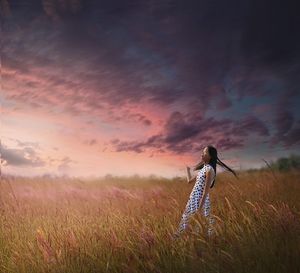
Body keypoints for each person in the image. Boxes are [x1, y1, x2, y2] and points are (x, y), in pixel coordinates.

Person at [173, 145, 238, 239]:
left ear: (210, 156)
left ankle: (187, 239)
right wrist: (187, 170)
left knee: (198, 222)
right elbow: (189, 181)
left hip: (200, 199)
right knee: (186, 218)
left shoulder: (210, 170)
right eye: (202, 152)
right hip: (193, 197)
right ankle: (179, 237)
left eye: (204, 153)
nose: (202, 154)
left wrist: (200, 207)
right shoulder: (203, 169)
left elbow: (205, 191)